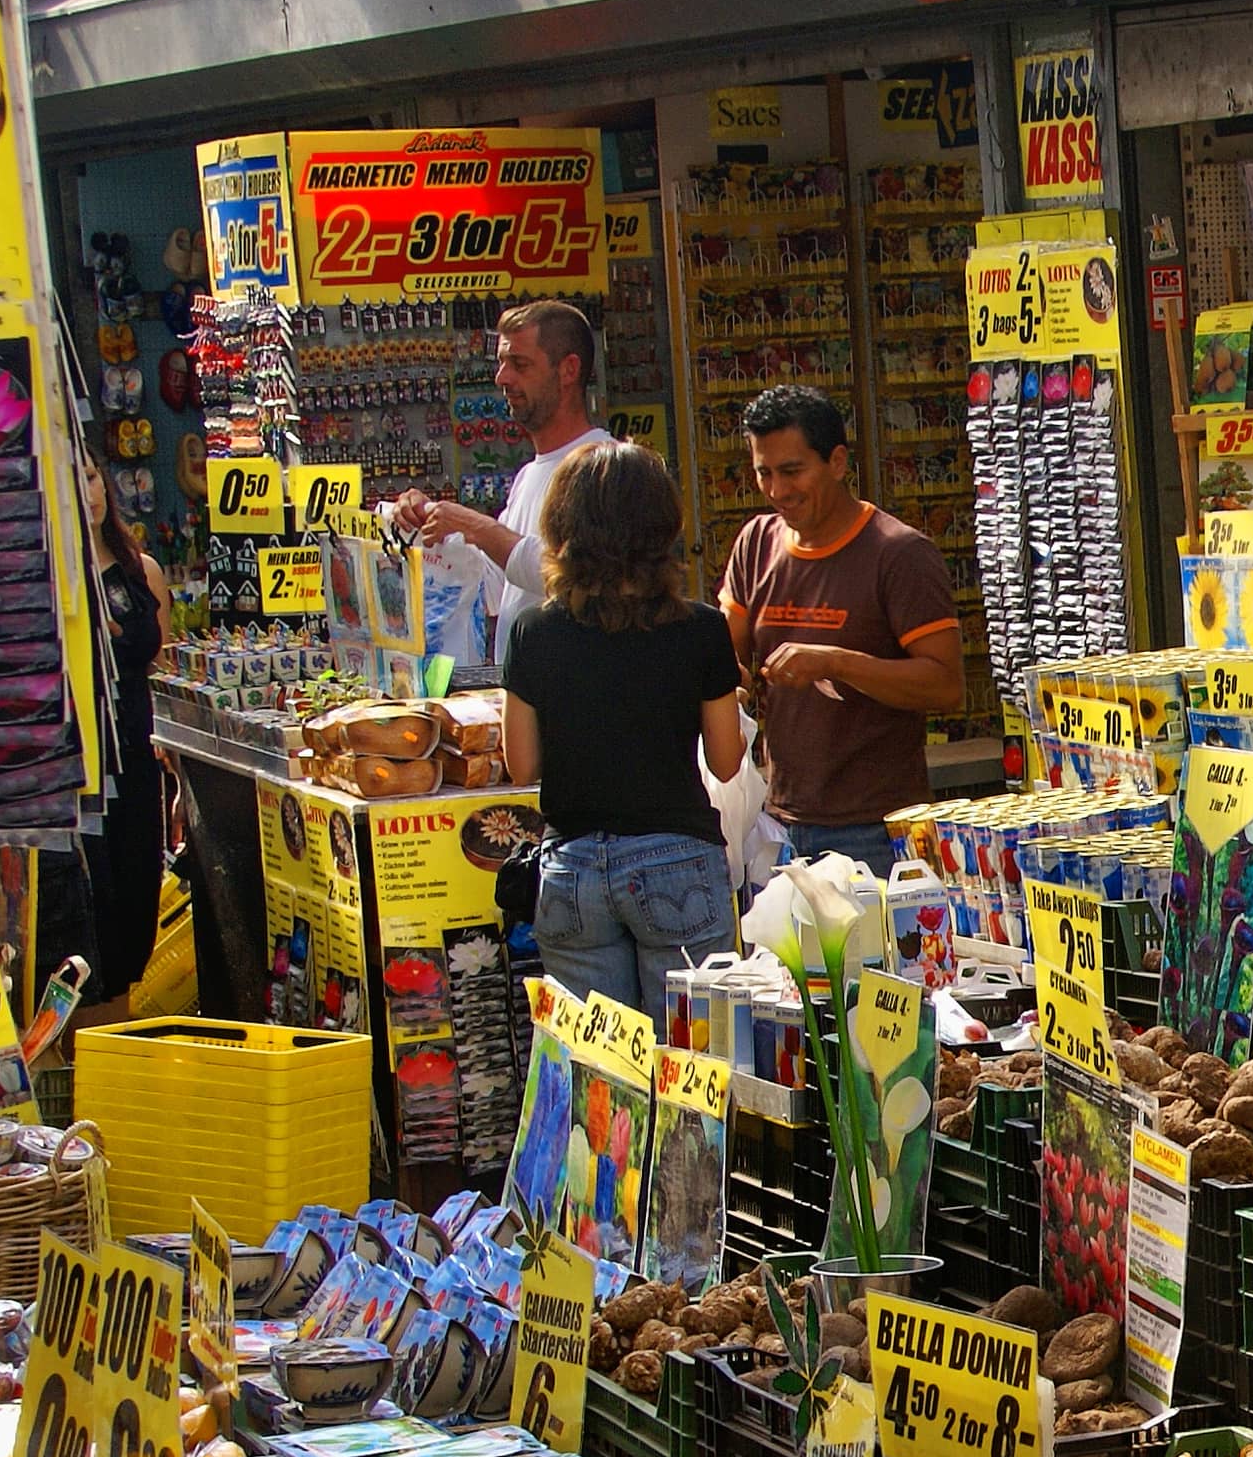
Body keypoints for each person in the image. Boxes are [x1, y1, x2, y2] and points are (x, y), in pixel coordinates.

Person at [499, 440, 746, 1011]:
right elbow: (727, 761)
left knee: (601, 1072)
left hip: (574, 866)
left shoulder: (533, 632)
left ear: (561, 528)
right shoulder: (703, 629)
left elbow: (523, 764)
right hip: (678, 860)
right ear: (663, 527)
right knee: (694, 1062)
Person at [718, 383, 963, 870]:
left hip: (878, 828)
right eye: (764, 473)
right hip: (777, 822)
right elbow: (723, 657)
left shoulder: (899, 554)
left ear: (836, 462)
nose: (778, 491)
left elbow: (945, 685)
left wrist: (835, 662)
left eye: (792, 471)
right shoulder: (755, 544)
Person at [382, 301, 614, 671]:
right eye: (501, 363)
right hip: (527, 697)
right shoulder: (529, 475)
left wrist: (477, 527)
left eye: (520, 365)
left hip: (577, 700)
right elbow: (497, 587)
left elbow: (577, 576)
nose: (502, 378)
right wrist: (431, 523)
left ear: (568, 370)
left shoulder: (605, 465)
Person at [77, 458, 170, 1025]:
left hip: (135, 757)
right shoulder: (49, 576)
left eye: (91, 475)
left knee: (134, 908)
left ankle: (116, 1040)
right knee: (89, 914)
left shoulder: (140, 569)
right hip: (78, 768)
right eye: (73, 479)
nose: (87, 491)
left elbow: (158, 665)